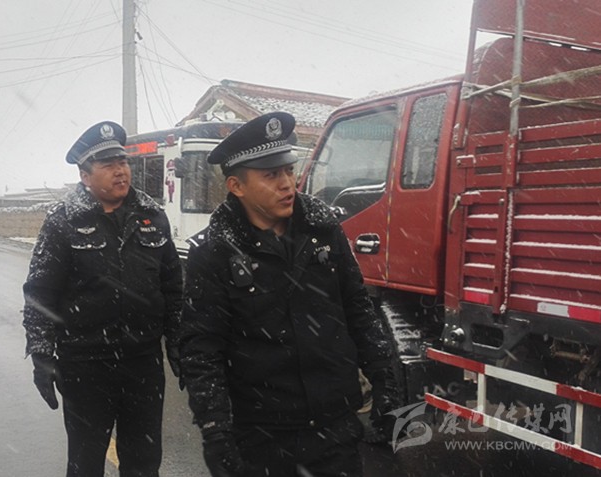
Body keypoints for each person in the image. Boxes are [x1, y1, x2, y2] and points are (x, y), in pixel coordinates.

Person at [179, 111, 399, 477]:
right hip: (262, 437)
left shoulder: (324, 231)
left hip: (335, 427)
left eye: (288, 171)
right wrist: (215, 430)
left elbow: (358, 310)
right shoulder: (214, 252)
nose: (287, 184)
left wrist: (384, 381)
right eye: (270, 175)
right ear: (236, 186)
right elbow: (202, 349)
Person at [22, 121, 183, 477]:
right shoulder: (63, 222)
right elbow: (40, 293)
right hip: (85, 366)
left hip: (143, 365)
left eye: (122, 162)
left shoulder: (152, 216)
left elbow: (173, 287)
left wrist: (177, 341)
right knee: (86, 463)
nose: (120, 171)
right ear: (85, 175)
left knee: (144, 463)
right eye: (108, 165)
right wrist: (42, 355)